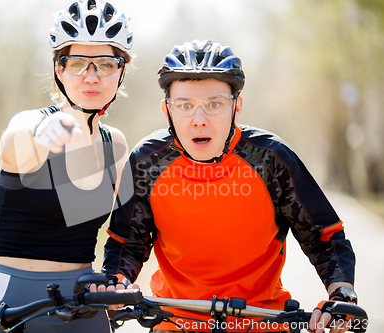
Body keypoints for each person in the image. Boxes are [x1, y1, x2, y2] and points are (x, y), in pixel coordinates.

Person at [101, 40, 357, 333]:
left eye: (214, 104)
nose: (199, 120)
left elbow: (324, 238)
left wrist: (341, 294)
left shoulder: (271, 159)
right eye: (184, 105)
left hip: (261, 321)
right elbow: (126, 244)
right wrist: (116, 282)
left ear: (237, 106)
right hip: (174, 321)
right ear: (166, 111)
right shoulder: (147, 162)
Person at [0, 1, 133, 332]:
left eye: (106, 63)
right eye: (77, 62)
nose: (91, 76)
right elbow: (12, 148)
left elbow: (122, 235)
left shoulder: (115, 144)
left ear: (121, 70)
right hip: (13, 302)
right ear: (59, 69)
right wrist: (39, 138)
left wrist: (114, 281)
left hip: (85, 304)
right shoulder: (32, 122)